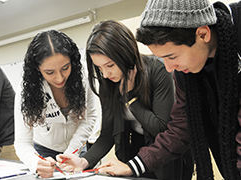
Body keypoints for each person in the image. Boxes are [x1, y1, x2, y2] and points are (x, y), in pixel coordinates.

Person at [95, 0, 241, 179]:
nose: (169, 68)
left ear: (203, 34)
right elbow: (180, 128)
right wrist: (134, 166)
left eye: (172, 56)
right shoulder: (185, 74)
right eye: (162, 58)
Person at [57, 20, 193, 179]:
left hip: (165, 155)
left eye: (110, 65)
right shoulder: (108, 81)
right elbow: (107, 134)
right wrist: (84, 161)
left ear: (126, 54)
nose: (106, 74)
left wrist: (130, 97)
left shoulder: (159, 70)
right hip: (134, 150)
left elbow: (161, 129)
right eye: (100, 68)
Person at [14, 30, 98, 178]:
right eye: (50, 72)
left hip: (76, 148)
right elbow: (22, 141)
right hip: (42, 151)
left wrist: (72, 151)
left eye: (65, 68)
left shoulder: (83, 80)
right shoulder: (26, 90)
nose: (59, 78)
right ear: (37, 69)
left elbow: (88, 119)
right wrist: (35, 162)